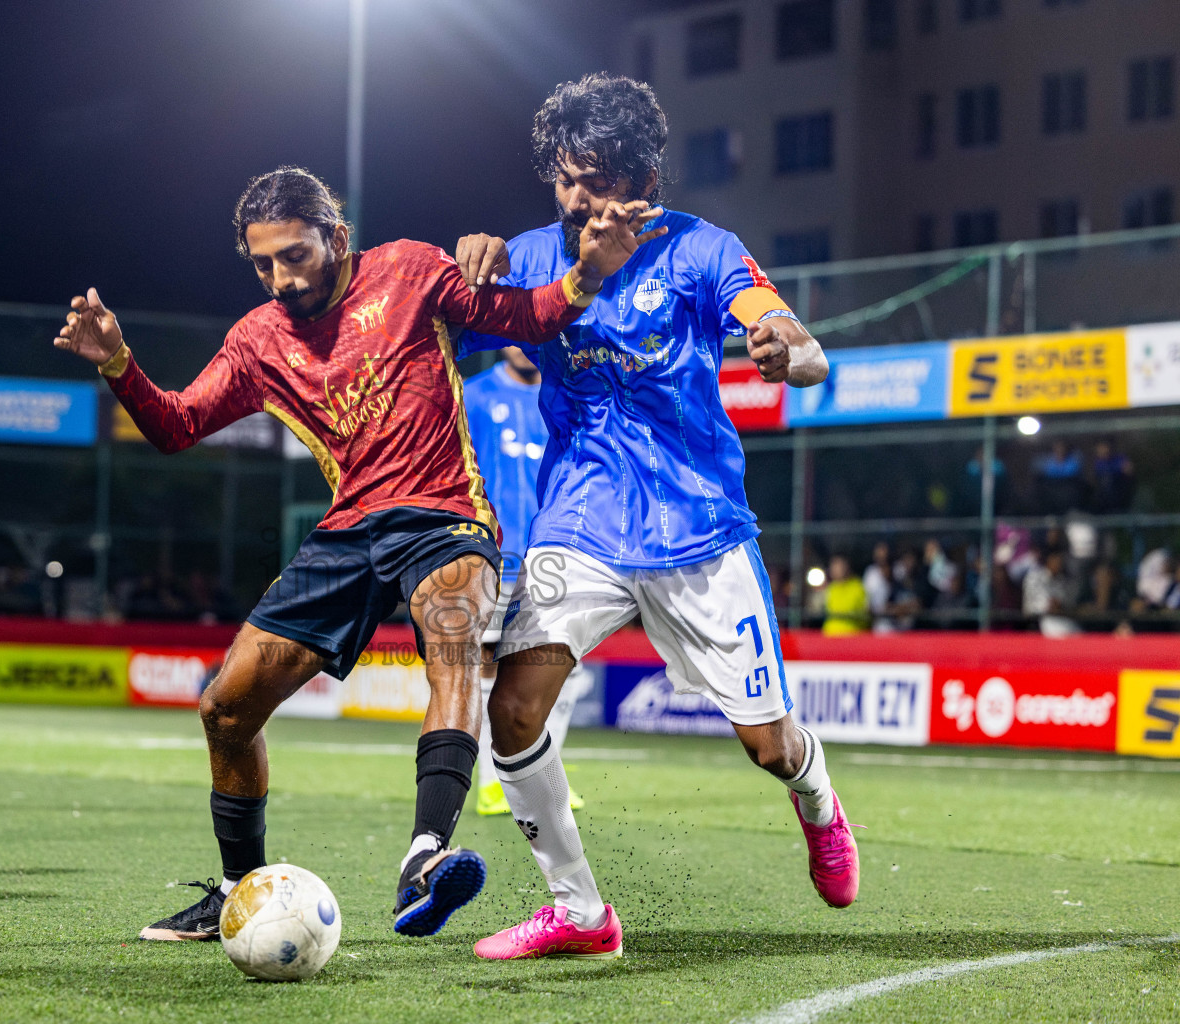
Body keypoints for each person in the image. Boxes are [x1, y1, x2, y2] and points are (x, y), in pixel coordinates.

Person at [54, 166, 663, 941]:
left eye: (296, 255)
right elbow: (176, 427)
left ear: (337, 238)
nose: (281, 277)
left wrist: (587, 270)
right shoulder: (259, 339)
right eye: (263, 263)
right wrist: (118, 364)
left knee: (453, 646)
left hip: (445, 515)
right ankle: (239, 892)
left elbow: (532, 317)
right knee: (224, 708)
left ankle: (425, 857)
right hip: (349, 531)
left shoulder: (409, 269)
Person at [452, 74, 857, 961]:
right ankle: (581, 911)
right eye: (562, 179)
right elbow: (434, 336)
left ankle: (818, 797)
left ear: (639, 180)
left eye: (592, 180)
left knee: (766, 743)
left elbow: (802, 344)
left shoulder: (702, 251)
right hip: (580, 522)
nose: (574, 199)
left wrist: (785, 350)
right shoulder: (530, 255)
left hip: (698, 529)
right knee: (514, 710)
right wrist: (461, 271)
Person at [462, 345, 587, 816]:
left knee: (562, 671)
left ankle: (547, 778)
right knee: (489, 670)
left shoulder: (569, 393)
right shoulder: (472, 395)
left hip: (560, 556)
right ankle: (494, 782)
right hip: (493, 556)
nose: (520, 341)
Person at [822, 554, 869, 636]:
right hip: (829, 636)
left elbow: (865, 616)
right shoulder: (831, 588)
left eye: (837, 565)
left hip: (851, 636)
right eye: (833, 565)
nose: (834, 569)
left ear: (846, 567)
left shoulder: (858, 587)